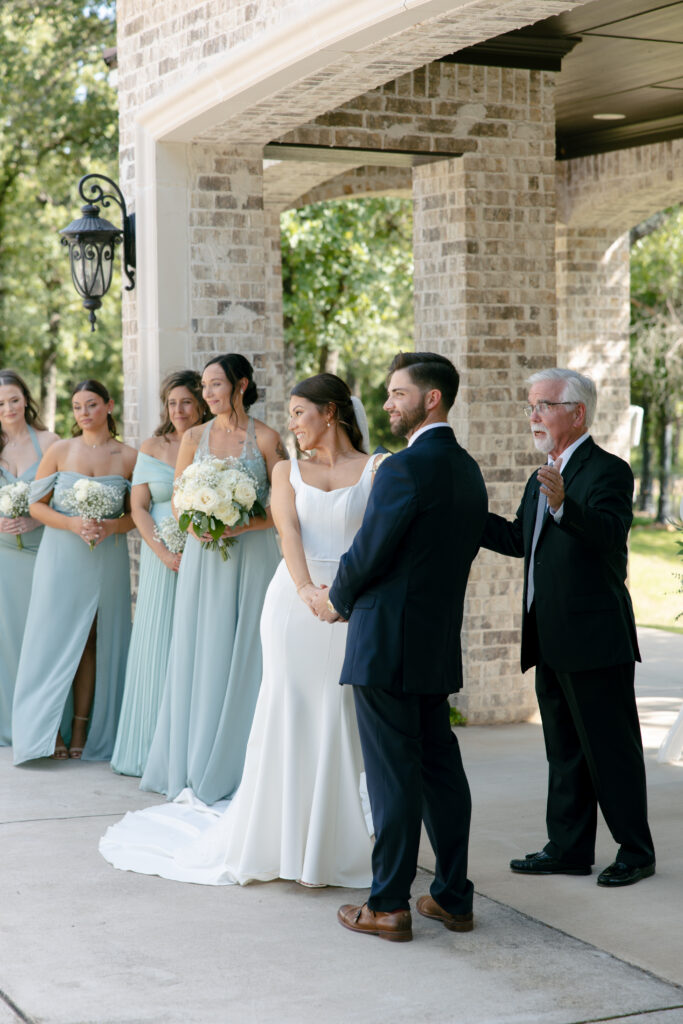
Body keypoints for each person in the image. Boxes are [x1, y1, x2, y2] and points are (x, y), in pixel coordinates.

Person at [100, 373, 377, 887]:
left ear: (331, 413)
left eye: (300, 413)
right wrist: (307, 590)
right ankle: (279, 839)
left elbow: (376, 540)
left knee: (339, 711)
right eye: (290, 413)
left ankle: (331, 840)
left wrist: (342, 595)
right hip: (294, 602)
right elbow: (288, 531)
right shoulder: (287, 471)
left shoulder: (377, 469)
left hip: (351, 604)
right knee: (288, 708)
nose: (292, 423)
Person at [313, 352, 487, 943]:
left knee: (392, 777)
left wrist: (336, 600)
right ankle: (453, 898)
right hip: (434, 643)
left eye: (398, 393)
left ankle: (388, 906)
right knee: (440, 770)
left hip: (384, 642)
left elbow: (370, 549)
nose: (387, 403)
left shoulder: (404, 468)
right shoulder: (467, 469)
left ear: (431, 399)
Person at [481, 368, 655, 887]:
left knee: (611, 750)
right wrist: (465, 515)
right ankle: (569, 849)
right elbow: (519, 540)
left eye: (544, 405)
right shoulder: (543, 474)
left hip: (595, 639)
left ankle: (636, 851)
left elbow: (609, 534)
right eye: (531, 406)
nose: (533, 415)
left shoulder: (608, 471)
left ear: (577, 413)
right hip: (549, 636)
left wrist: (563, 505)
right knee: (564, 751)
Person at [138, 353, 285, 806]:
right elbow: (179, 496)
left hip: (253, 555)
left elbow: (284, 508)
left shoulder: (268, 439)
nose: (207, 394)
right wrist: (199, 519)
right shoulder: (193, 437)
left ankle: (245, 765)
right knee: (203, 647)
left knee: (249, 648)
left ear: (241, 385)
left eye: (215, 384)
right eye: (204, 386)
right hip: (204, 556)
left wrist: (242, 524)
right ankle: (197, 759)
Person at [12, 380, 137, 763]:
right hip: (61, 556)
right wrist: (71, 523)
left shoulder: (129, 456)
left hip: (107, 557)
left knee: (94, 641)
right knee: (52, 638)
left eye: (92, 404)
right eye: (78, 406)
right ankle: (47, 730)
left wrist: (113, 526)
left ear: (109, 406)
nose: (84, 412)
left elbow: (138, 514)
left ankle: (83, 729)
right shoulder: (60, 451)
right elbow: (36, 506)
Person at [111, 371, 209, 777]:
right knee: (156, 643)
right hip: (159, 557)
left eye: (186, 402)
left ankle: (191, 748)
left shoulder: (213, 442)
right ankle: (147, 748)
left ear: (201, 403)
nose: (178, 410)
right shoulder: (152, 447)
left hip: (204, 556)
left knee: (196, 642)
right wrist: (165, 553)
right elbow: (138, 507)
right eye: (172, 403)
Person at [0, 370, 59, 745]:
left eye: (14, 400)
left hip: (43, 553)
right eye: (0, 403)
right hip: (3, 559)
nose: (8, 408)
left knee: (44, 639)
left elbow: (65, 496)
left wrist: (37, 518)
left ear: (26, 400)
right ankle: (9, 724)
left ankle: (45, 726)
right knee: (6, 641)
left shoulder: (50, 442)